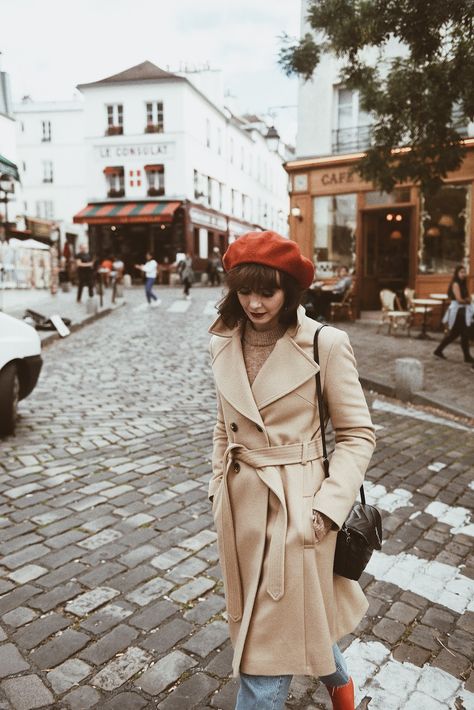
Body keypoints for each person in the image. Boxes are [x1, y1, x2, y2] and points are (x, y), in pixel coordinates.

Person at [208, 231, 376, 710]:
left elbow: (357, 435)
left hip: (298, 508)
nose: (255, 303)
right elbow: (224, 423)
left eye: (268, 291)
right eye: (245, 291)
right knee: (289, 622)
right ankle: (341, 686)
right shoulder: (223, 341)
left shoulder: (325, 343)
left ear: (290, 291)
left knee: (264, 657)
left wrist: (327, 508)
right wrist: (216, 486)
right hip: (241, 507)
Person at [434, 265, 473, 363]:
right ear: (457, 273)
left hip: (462, 311)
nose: (463, 274)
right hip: (457, 312)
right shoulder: (455, 284)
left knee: (455, 334)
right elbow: (459, 300)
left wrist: (468, 300)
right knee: (463, 333)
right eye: (461, 272)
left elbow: (467, 297)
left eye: (464, 272)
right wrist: (467, 301)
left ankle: (438, 350)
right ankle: (467, 357)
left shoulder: (463, 284)